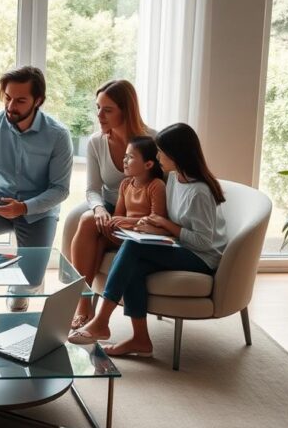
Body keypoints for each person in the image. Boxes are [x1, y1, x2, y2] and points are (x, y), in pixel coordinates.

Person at [70, 123, 226, 357]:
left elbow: (204, 242)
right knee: (135, 265)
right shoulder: (174, 179)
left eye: (161, 151)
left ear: (176, 154)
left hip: (202, 257)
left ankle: (101, 321)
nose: (158, 155)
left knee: (133, 247)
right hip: (180, 245)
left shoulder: (199, 192)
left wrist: (165, 226)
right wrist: (153, 227)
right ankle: (140, 340)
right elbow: (171, 221)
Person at [0, 66, 74, 312]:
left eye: (20, 100)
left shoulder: (58, 135)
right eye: (7, 98)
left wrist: (25, 207)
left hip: (38, 211)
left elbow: (60, 189)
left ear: (38, 100)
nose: (10, 106)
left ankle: (21, 289)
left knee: (27, 284)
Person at [67, 80, 153, 328]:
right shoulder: (96, 142)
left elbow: (162, 189)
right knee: (87, 220)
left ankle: (91, 310)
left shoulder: (152, 141)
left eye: (107, 109)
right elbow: (93, 189)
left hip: (139, 217)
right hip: (108, 209)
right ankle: (84, 306)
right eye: (97, 108)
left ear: (125, 110)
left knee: (99, 237)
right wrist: (99, 209)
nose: (99, 115)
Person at [68, 136, 167, 337]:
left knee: (102, 240)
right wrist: (114, 222)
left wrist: (127, 223)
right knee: (95, 236)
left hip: (142, 237)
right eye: (124, 156)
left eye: (130, 157)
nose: (124, 161)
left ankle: (91, 310)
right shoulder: (125, 185)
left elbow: (158, 219)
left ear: (148, 164)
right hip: (125, 234)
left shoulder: (156, 186)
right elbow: (119, 215)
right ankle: (84, 300)